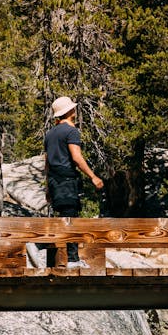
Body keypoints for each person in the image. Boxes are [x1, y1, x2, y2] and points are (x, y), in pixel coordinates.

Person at [44, 96, 104, 268]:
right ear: (70, 112)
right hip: (67, 180)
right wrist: (93, 176)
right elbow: (77, 158)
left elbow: (47, 162)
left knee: (64, 218)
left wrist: (48, 187)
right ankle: (70, 259)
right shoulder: (71, 132)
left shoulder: (50, 134)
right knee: (70, 219)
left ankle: (72, 258)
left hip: (55, 181)